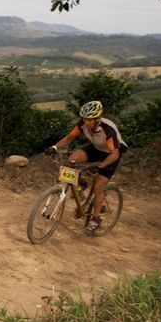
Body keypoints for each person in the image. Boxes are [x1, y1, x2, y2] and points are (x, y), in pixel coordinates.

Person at [46, 100, 127, 234]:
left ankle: (96, 219)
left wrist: (100, 166)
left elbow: (114, 154)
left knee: (98, 186)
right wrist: (54, 147)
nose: (86, 122)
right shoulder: (83, 124)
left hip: (112, 154)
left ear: (97, 119)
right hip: (97, 148)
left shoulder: (108, 129)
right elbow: (69, 137)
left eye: (89, 120)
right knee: (71, 160)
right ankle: (80, 184)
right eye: (84, 119)